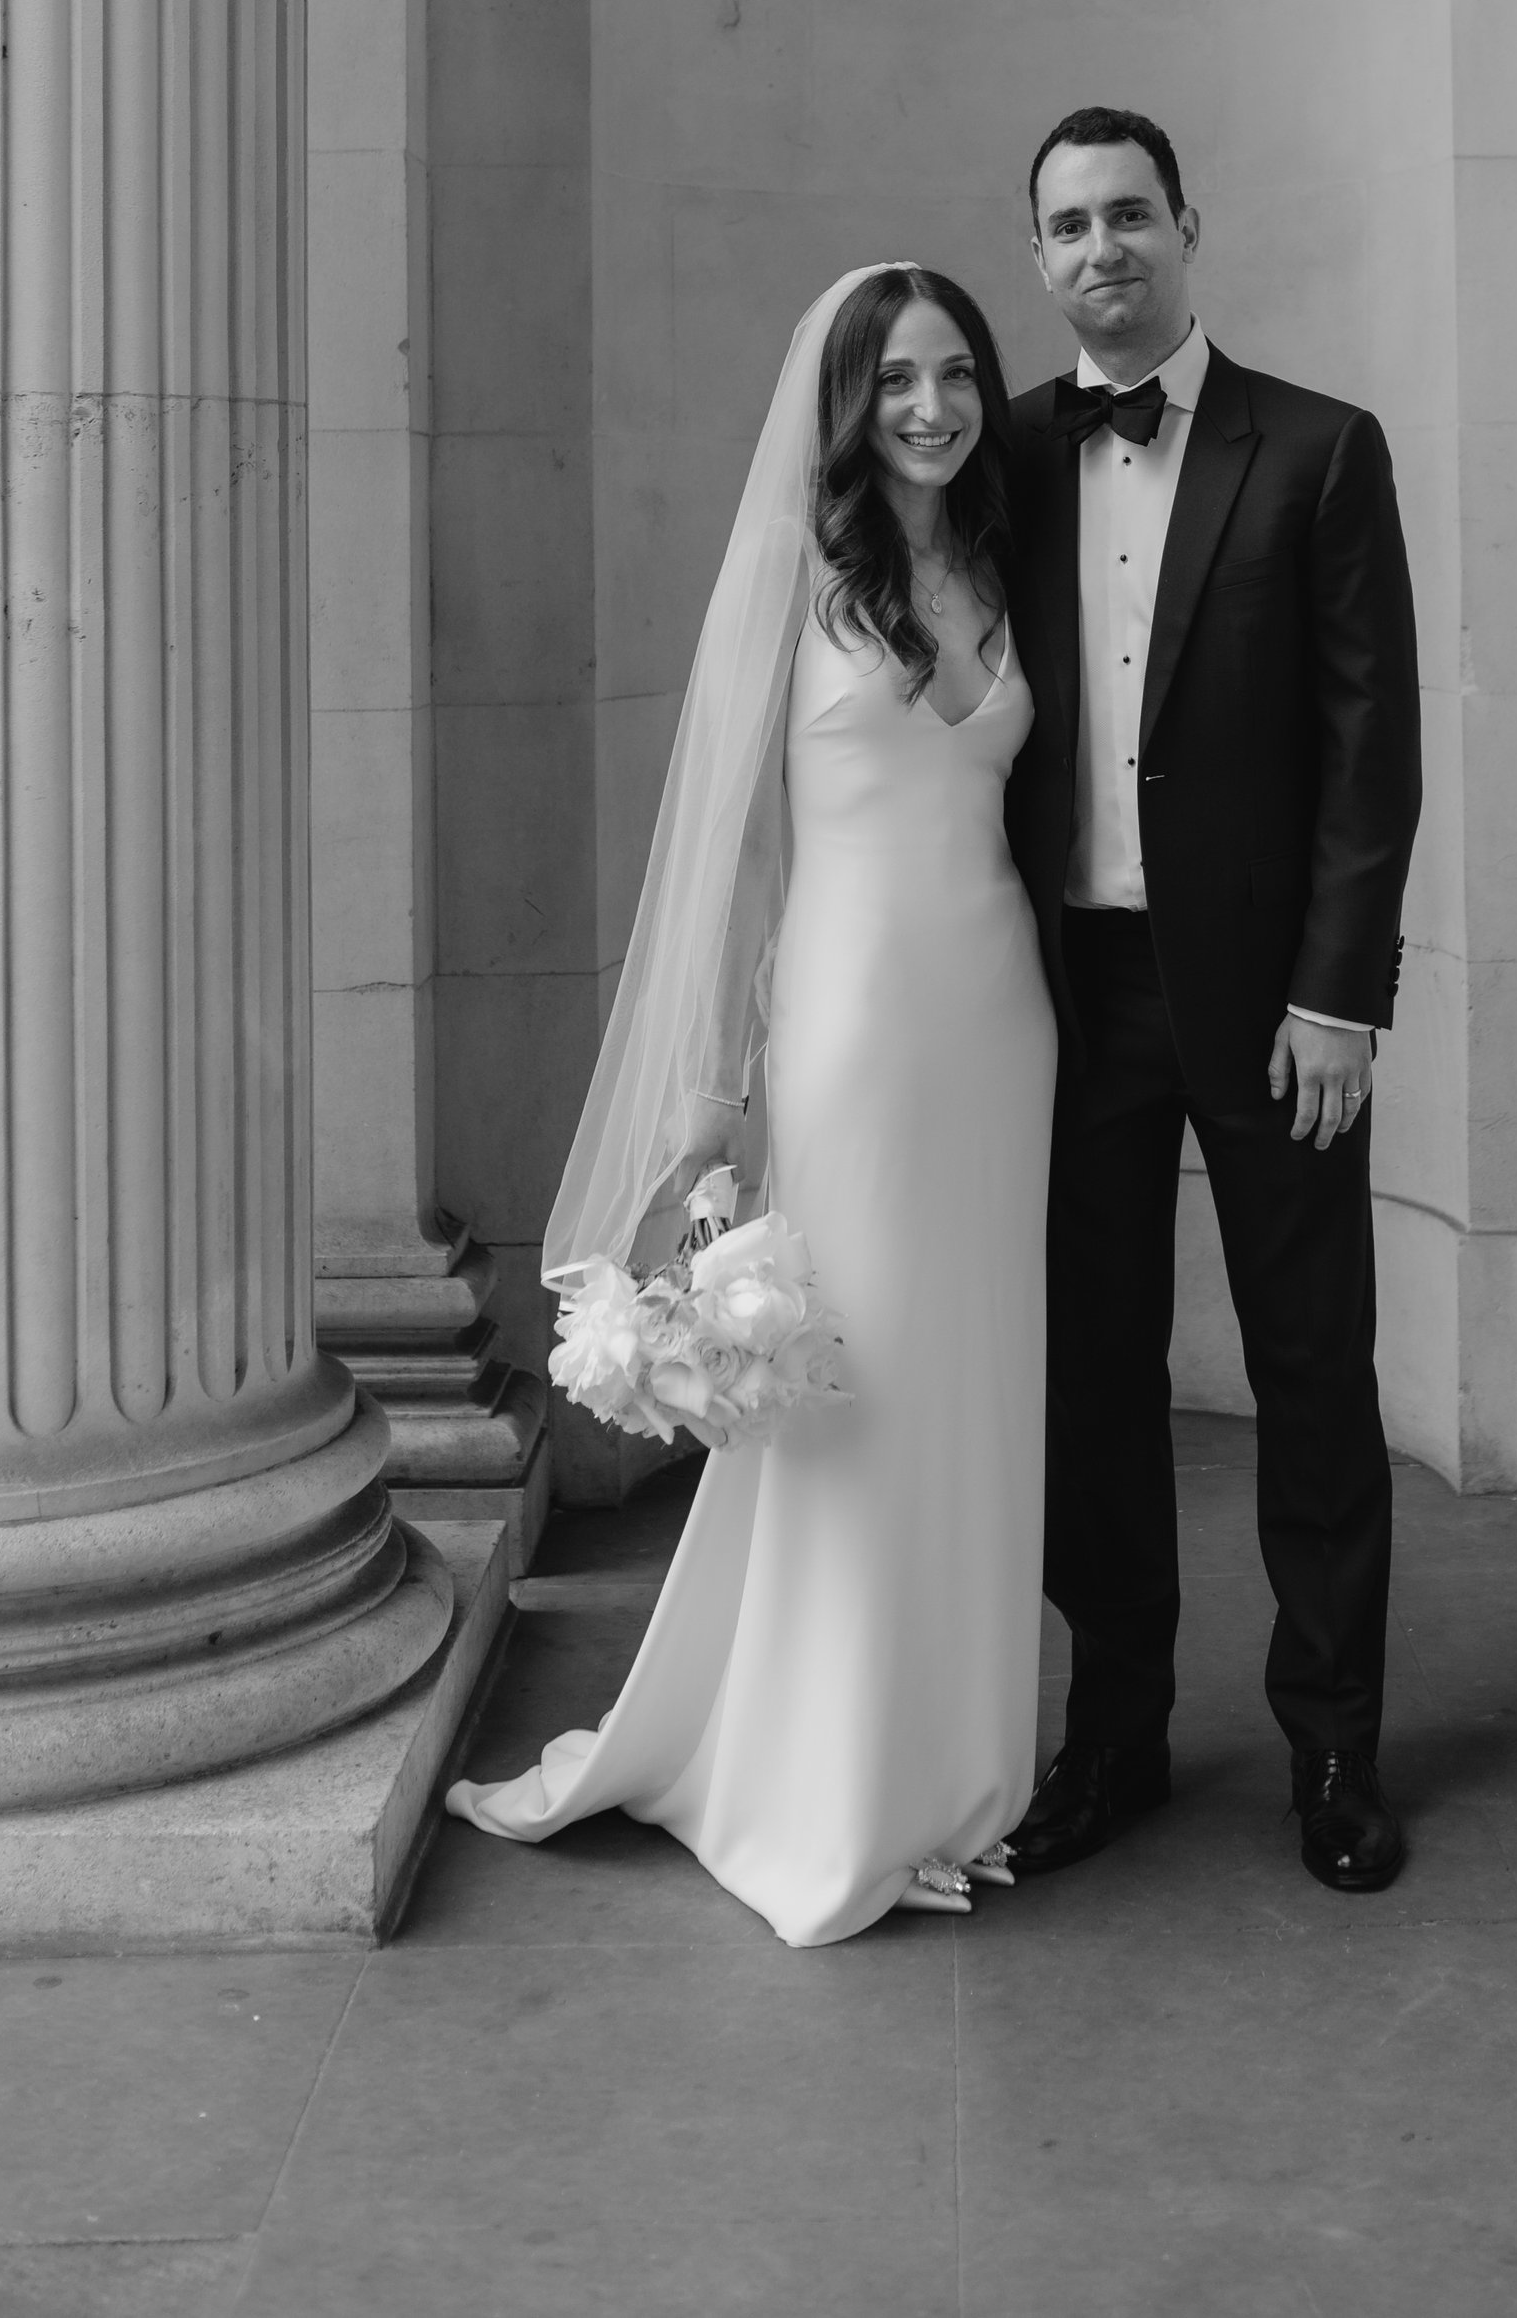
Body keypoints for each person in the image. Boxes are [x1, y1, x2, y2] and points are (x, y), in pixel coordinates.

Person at [444, 266, 1057, 1947]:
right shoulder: (800, 576)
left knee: (976, 1383)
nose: (929, 406)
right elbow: (735, 862)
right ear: (844, 404)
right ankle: (834, 1785)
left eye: (954, 375)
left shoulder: (1002, 561)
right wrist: (715, 1103)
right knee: (854, 1387)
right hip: (852, 1032)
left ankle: (959, 1768)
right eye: (896, 382)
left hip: (1005, 1027)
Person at [1000, 109, 1422, 1895]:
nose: (1104, 247)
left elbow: (1368, 746)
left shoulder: (1320, 449)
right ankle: (1118, 1732)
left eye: (1130, 214)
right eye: (1068, 224)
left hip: (1269, 1010)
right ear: (1038, 258)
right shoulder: (1001, 453)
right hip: (1066, 999)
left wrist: (1342, 995)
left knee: (1312, 1371)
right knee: (1093, 1379)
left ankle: (1333, 1744)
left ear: (1189, 225)